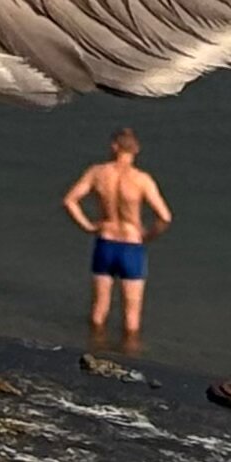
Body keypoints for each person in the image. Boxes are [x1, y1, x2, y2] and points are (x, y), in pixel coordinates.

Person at [62, 127, 172, 348]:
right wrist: (148, 235)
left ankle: (94, 351)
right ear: (135, 150)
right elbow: (165, 217)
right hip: (131, 245)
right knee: (132, 313)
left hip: (105, 241)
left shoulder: (98, 173)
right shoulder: (142, 180)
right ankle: (130, 359)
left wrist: (88, 226)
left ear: (114, 147)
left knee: (99, 307)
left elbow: (70, 200)